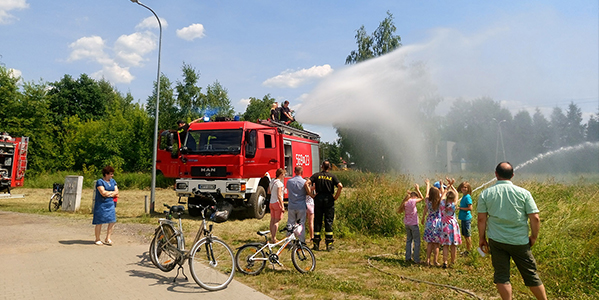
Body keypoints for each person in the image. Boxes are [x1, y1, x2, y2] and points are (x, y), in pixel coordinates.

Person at [477, 162, 547, 300]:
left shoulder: (485, 194)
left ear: (496, 174)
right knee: (531, 275)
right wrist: (533, 237)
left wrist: (482, 238)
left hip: (497, 241)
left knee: (502, 276)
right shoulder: (524, 193)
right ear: (513, 175)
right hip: (520, 240)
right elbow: (535, 218)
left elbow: (481, 219)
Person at [305, 161, 343, 251]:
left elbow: (306, 184)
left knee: (317, 220)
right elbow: (340, 186)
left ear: (322, 166)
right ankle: (329, 244)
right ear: (329, 167)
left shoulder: (316, 175)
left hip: (318, 199)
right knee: (328, 221)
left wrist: (311, 195)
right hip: (329, 199)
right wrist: (335, 197)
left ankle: (316, 243)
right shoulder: (332, 176)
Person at [397, 184, 423, 264]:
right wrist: (418, 189)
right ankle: (416, 259)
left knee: (409, 241)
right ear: (414, 196)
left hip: (407, 224)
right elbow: (422, 198)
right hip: (414, 224)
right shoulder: (412, 201)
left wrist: (411, 193)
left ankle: (408, 257)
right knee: (417, 241)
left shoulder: (405, 203)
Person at [93, 166, 119, 246]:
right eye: (111, 174)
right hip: (101, 204)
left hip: (110, 204)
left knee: (112, 220)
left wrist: (109, 194)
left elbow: (117, 191)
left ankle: (108, 238)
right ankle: (97, 239)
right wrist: (112, 193)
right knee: (99, 222)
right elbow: (102, 192)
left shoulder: (113, 181)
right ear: (106, 174)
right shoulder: (100, 181)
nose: (112, 176)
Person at [440, 178, 461, 268]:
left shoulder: (442, 204)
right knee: (453, 245)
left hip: (445, 225)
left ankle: (445, 262)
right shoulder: (453, 205)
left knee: (445, 245)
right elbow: (457, 194)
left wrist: (445, 188)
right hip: (453, 225)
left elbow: (443, 196)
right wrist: (451, 184)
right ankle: (452, 262)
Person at [421, 178, 443, 266]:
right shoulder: (439, 201)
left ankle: (427, 260)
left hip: (429, 222)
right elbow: (443, 194)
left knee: (429, 243)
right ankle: (435, 261)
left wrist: (428, 184)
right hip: (438, 223)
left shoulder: (427, 200)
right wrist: (441, 186)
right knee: (436, 244)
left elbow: (426, 193)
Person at [286, 166, 307, 242]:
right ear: (302, 172)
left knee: (290, 223)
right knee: (301, 224)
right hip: (301, 205)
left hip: (292, 205)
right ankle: (301, 240)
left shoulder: (289, 181)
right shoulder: (304, 182)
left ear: (294, 171)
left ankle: (288, 241)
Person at [268, 168, 285, 243]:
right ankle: (274, 238)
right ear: (281, 175)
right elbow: (279, 195)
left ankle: (272, 236)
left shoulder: (272, 181)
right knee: (276, 221)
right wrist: (282, 206)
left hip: (271, 202)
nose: (284, 176)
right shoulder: (279, 184)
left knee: (272, 220)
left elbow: (269, 191)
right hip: (277, 203)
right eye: (283, 174)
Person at [457, 181, 473, 254]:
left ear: (468, 188)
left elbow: (470, 208)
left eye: (465, 187)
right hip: (463, 218)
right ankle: (468, 249)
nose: (464, 189)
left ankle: (469, 250)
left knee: (467, 235)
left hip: (466, 218)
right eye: (463, 187)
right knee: (465, 235)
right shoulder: (464, 196)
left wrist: (460, 208)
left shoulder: (467, 197)